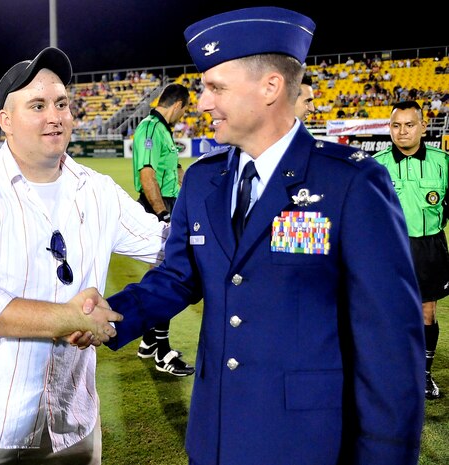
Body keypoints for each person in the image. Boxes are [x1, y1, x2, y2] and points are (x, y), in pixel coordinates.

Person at [103, 7, 425, 465]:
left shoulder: (351, 184)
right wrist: (109, 314)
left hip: (307, 442)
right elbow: (178, 277)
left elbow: (390, 343)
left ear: (270, 87)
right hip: (214, 437)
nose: (200, 103)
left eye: (215, 87)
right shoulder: (202, 181)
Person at [0, 46, 169, 464]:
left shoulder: (96, 189)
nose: (56, 115)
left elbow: (162, 244)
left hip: (70, 424)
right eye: (38, 105)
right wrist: (67, 318)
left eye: (62, 103)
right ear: (5, 122)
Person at [373, 100, 449, 400]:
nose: (402, 131)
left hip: (428, 246)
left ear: (423, 126)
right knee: (387, 312)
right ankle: (391, 370)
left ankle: (424, 374)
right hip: (388, 247)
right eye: (396, 125)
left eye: (409, 125)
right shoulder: (377, 164)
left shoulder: (442, 162)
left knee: (426, 313)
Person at [132, 83, 195, 376]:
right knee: (167, 279)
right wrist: (162, 215)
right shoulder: (148, 128)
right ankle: (162, 353)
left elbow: (173, 169)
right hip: (156, 208)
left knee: (162, 275)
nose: (183, 117)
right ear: (178, 104)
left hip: (168, 206)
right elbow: (147, 174)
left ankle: (148, 343)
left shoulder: (162, 131)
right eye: (184, 111)